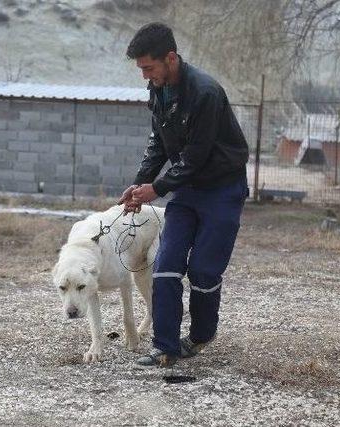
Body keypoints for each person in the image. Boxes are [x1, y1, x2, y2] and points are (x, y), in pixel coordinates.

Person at [118, 22, 250, 368]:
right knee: (166, 264)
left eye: (149, 67)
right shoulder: (158, 89)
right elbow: (159, 142)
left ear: (171, 58)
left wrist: (156, 189)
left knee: (204, 271)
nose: (146, 76)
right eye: (141, 69)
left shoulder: (204, 92)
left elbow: (197, 155)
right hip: (187, 189)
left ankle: (202, 335)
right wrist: (139, 184)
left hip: (222, 188)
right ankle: (164, 348)